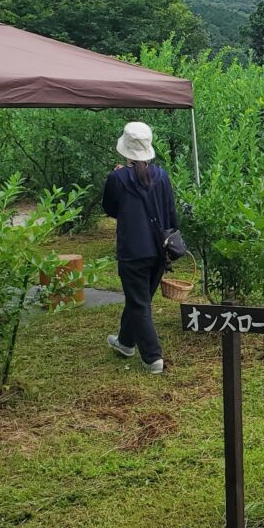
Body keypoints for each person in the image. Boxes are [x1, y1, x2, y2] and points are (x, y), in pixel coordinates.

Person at [101, 121, 179, 374]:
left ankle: (153, 358)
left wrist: (119, 175)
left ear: (126, 149)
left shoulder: (117, 178)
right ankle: (125, 343)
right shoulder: (162, 176)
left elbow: (110, 209)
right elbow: (170, 212)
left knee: (139, 303)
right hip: (160, 249)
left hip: (133, 251)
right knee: (140, 300)